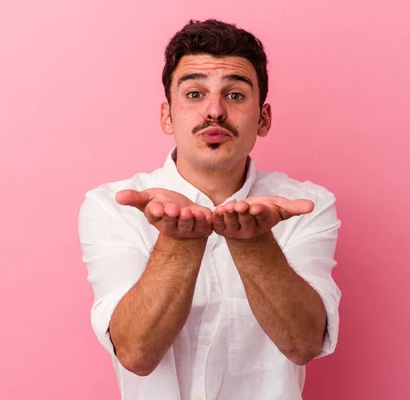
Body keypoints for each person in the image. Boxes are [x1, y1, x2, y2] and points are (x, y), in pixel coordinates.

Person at [78, 19, 341, 400]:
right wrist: (179, 241)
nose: (214, 111)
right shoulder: (113, 205)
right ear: (168, 115)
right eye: (195, 94)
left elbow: (303, 346)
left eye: (235, 95)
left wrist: (254, 245)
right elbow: (135, 354)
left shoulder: (304, 205)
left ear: (263, 118)